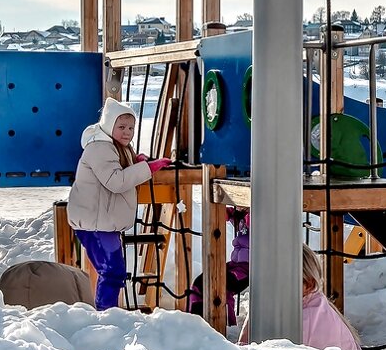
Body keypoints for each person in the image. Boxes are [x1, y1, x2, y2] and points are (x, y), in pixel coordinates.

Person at [67, 98, 170, 310]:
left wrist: (136, 161)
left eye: (131, 127)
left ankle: (108, 312)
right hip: (94, 223)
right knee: (111, 270)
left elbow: (119, 168)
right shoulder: (100, 148)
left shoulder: (116, 146)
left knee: (114, 270)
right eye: (121, 127)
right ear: (108, 125)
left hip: (101, 221)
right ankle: (106, 314)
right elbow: (116, 181)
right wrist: (147, 168)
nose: (127, 132)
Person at [238, 243, 361, 350]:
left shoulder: (304, 320)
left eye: (282, 280)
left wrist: (250, 322)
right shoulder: (313, 303)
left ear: (308, 284)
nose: (271, 287)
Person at [187, 206, 250, 325]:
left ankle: (227, 325)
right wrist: (222, 211)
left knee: (221, 287)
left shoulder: (259, 217)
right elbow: (226, 214)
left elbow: (259, 223)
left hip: (247, 271)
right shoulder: (241, 216)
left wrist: (248, 214)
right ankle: (195, 321)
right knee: (200, 283)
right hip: (235, 265)